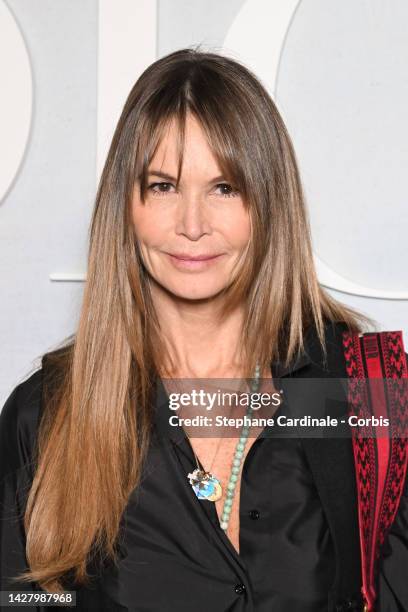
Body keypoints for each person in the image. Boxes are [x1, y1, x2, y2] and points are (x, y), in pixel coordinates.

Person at [0, 47, 407, 612]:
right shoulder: (44, 416)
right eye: (163, 186)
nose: (192, 225)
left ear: (268, 205)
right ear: (126, 206)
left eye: (225, 188)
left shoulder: (365, 393)